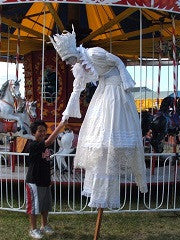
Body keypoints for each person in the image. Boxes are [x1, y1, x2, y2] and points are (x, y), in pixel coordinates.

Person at [49, 27, 148, 209]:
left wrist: (126, 82)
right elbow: (76, 89)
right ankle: (100, 186)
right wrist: (65, 115)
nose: (69, 62)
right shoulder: (78, 67)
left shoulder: (94, 54)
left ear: (74, 52)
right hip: (103, 89)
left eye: (69, 58)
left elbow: (117, 61)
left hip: (115, 88)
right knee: (98, 128)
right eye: (67, 60)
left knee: (112, 122)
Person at [26, 119, 66, 239]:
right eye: (40, 131)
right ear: (34, 133)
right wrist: (60, 126)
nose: (43, 133)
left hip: (45, 180)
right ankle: (33, 229)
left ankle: (44, 225)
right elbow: (48, 142)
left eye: (44, 131)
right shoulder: (33, 145)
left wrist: (49, 179)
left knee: (45, 205)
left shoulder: (45, 146)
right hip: (34, 181)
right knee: (33, 206)